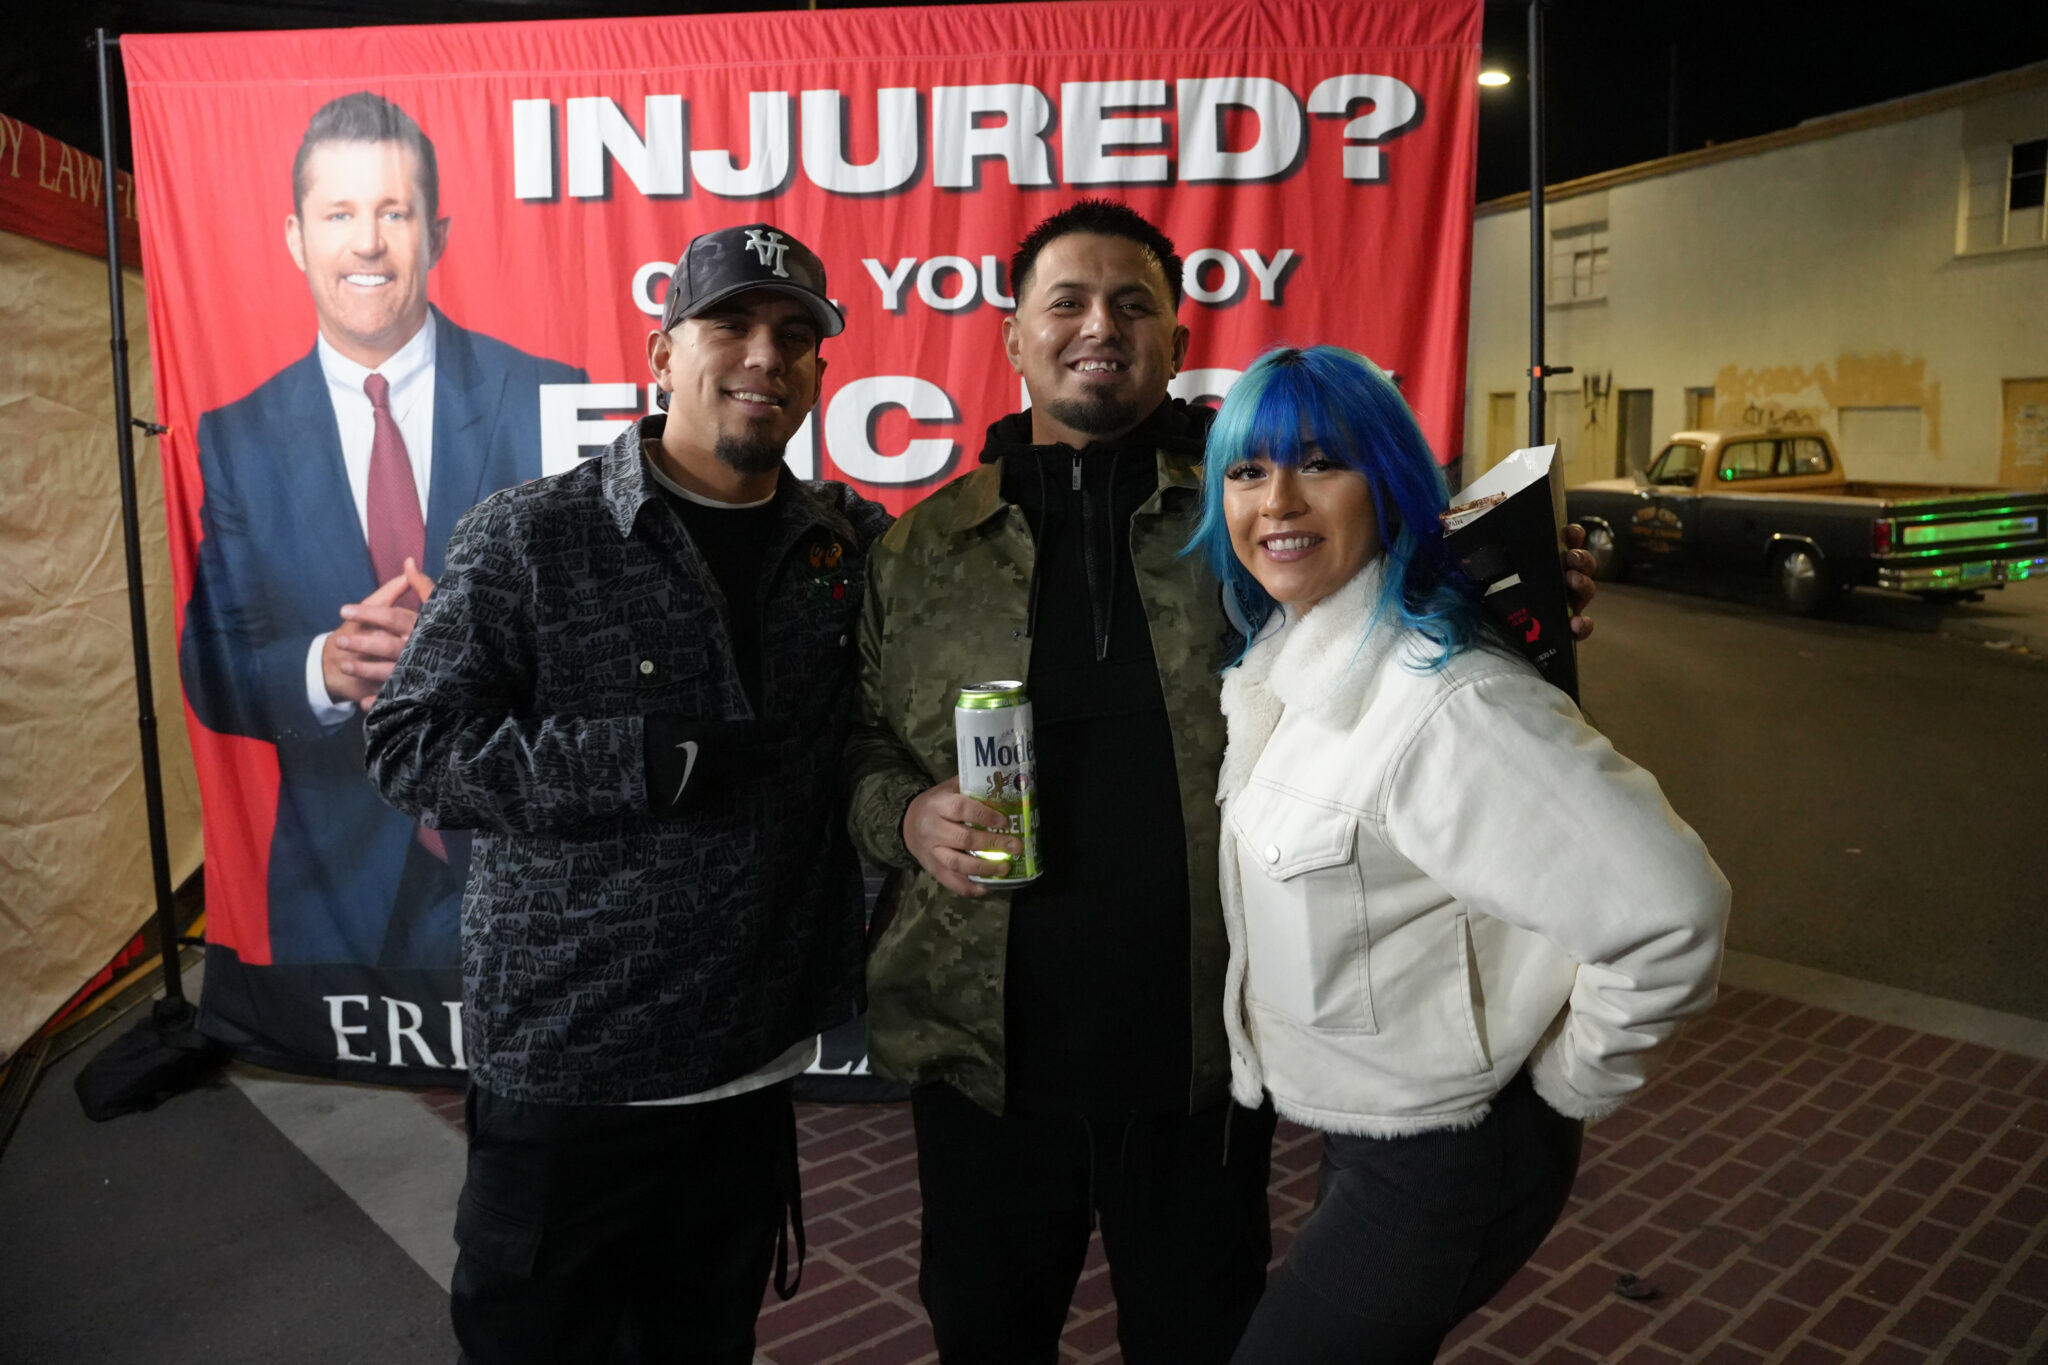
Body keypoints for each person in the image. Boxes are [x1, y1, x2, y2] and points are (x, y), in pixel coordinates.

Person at [844, 200, 1600, 1363]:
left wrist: (1520, 595)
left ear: (1178, 342)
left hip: (1204, 1051)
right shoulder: (916, 548)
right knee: (985, 1335)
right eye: (1066, 302)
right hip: (980, 1059)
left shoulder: (1257, 516)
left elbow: (1415, 609)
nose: (1100, 326)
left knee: (1197, 1336)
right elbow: (855, 740)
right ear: (1011, 337)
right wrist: (900, 814)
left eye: (1132, 305)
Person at [364, 223, 887, 1364]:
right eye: (729, 325)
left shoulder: (845, 544)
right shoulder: (533, 533)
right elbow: (410, 746)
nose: (764, 354)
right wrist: (632, 759)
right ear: (661, 355)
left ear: (817, 371)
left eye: (794, 335)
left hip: (748, 1063)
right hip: (571, 1073)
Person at [1185, 345, 1730, 1363]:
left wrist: (1569, 1079)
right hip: (1372, 1128)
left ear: (1389, 484)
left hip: (1448, 1157)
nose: (1278, 500)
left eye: (1321, 462)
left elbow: (1672, 910)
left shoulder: (1443, 701)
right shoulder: (1288, 662)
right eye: (1248, 470)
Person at [178, 90, 585, 969]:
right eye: (340, 214)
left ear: (436, 235)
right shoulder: (239, 438)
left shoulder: (547, 395)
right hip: (336, 906)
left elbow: (604, 640)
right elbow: (211, 668)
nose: (367, 241)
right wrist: (322, 669)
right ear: (297, 238)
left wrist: (480, 645)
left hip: (524, 870)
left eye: (393, 212)